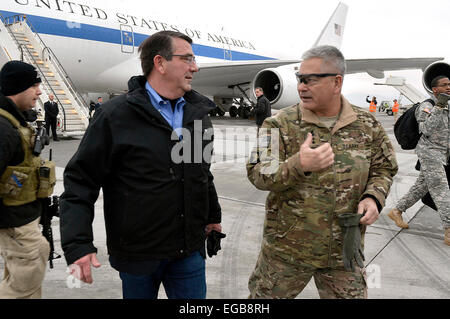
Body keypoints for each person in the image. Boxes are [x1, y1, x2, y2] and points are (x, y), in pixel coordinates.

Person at [59, 30, 223, 299]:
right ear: (160, 63)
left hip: (188, 252)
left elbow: (201, 172)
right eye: (188, 59)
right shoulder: (114, 116)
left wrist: (212, 216)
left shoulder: (197, 116)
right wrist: (78, 245)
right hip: (138, 256)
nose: (195, 67)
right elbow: (80, 182)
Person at [246, 45, 398, 299]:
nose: (301, 87)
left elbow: (383, 168)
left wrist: (374, 197)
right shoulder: (279, 124)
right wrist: (298, 164)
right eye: (299, 80)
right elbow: (257, 172)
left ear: (336, 82)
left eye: (309, 80)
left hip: (344, 251)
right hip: (287, 251)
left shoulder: (367, 125)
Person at [0, 60, 51, 298]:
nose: (39, 91)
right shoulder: (4, 129)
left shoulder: (14, 122)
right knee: (22, 286)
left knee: (20, 281)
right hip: (14, 222)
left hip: (20, 219)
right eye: (34, 85)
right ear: (19, 87)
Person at [388, 75, 450, 245]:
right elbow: (426, 129)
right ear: (435, 89)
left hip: (441, 153)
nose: (448, 87)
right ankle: (449, 229)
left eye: (449, 84)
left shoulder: (446, 106)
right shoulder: (427, 106)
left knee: (421, 186)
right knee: (441, 189)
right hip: (429, 153)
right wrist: (439, 106)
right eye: (444, 85)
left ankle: (397, 210)